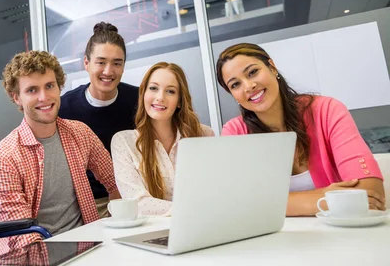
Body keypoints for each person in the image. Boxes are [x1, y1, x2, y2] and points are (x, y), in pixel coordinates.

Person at [215, 43, 385, 216]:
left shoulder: (327, 110)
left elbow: (370, 194)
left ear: (272, 67)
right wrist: (324, 199)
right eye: (235, 85)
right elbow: (236, 203)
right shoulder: (235, 133)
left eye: (253, 72)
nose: (248, 86)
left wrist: (275, 204)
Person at [0, 51, 121, 256]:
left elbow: (117, 181)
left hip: (89, 247)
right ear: (17, 98)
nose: (44, 97)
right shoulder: (3, 158)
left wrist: (116, 226)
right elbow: (24, 236)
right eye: (32, 90)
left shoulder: (80, 133)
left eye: (49, 86)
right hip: (34, 260)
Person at [111, 62, 214, 216]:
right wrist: (191, 210)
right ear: (143, 94)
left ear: (180, 101)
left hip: (202, 224)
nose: (160, 97)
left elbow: (214, 192)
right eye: (153, 88)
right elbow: (137, 203)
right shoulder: (124, 142)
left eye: (170, 91)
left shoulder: (203, 134)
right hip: (152, 232)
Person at [59, 22, 139, 218]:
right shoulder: (65, 107)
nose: (108, 71)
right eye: (101, 62)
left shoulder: (139, 100)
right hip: (87, 202)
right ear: (86, 63)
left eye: (117, 63)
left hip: (134, 195)